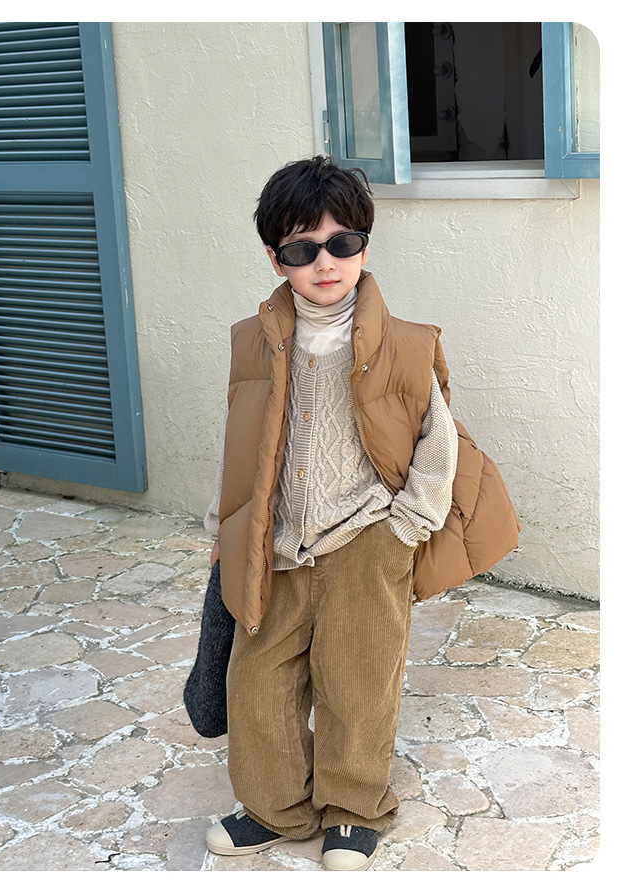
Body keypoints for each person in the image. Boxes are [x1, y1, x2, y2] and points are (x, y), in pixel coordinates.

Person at [202, 155, 459, 871]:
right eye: (302, 248)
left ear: (364, 247)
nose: (325, 262)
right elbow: (240, 441)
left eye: (342, 243)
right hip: (276, 543)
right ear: (274, 257)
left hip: (366, 542)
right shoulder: (252, 341)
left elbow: (438, 443)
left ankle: (353, 809)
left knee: (358, 683)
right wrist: (223, 528)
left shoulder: (406, 343)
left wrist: (405, 528)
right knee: (259, 682)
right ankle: (275, 807)